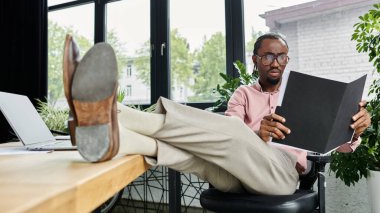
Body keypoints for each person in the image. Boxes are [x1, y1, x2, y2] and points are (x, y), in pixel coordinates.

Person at [62, 33, 371, 196]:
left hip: (282, 175)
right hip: (234, 172)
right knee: (199, 157)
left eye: (281, 56)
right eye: (268, 56)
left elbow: (338, 146)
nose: (275, 62)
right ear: (255, 60)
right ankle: (114, 138)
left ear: (287, 60)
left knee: (234, 133)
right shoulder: (243, 95)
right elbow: (224, 136)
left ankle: (114, 110)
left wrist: (354, 131)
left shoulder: (307, 97)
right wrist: (258, 133)